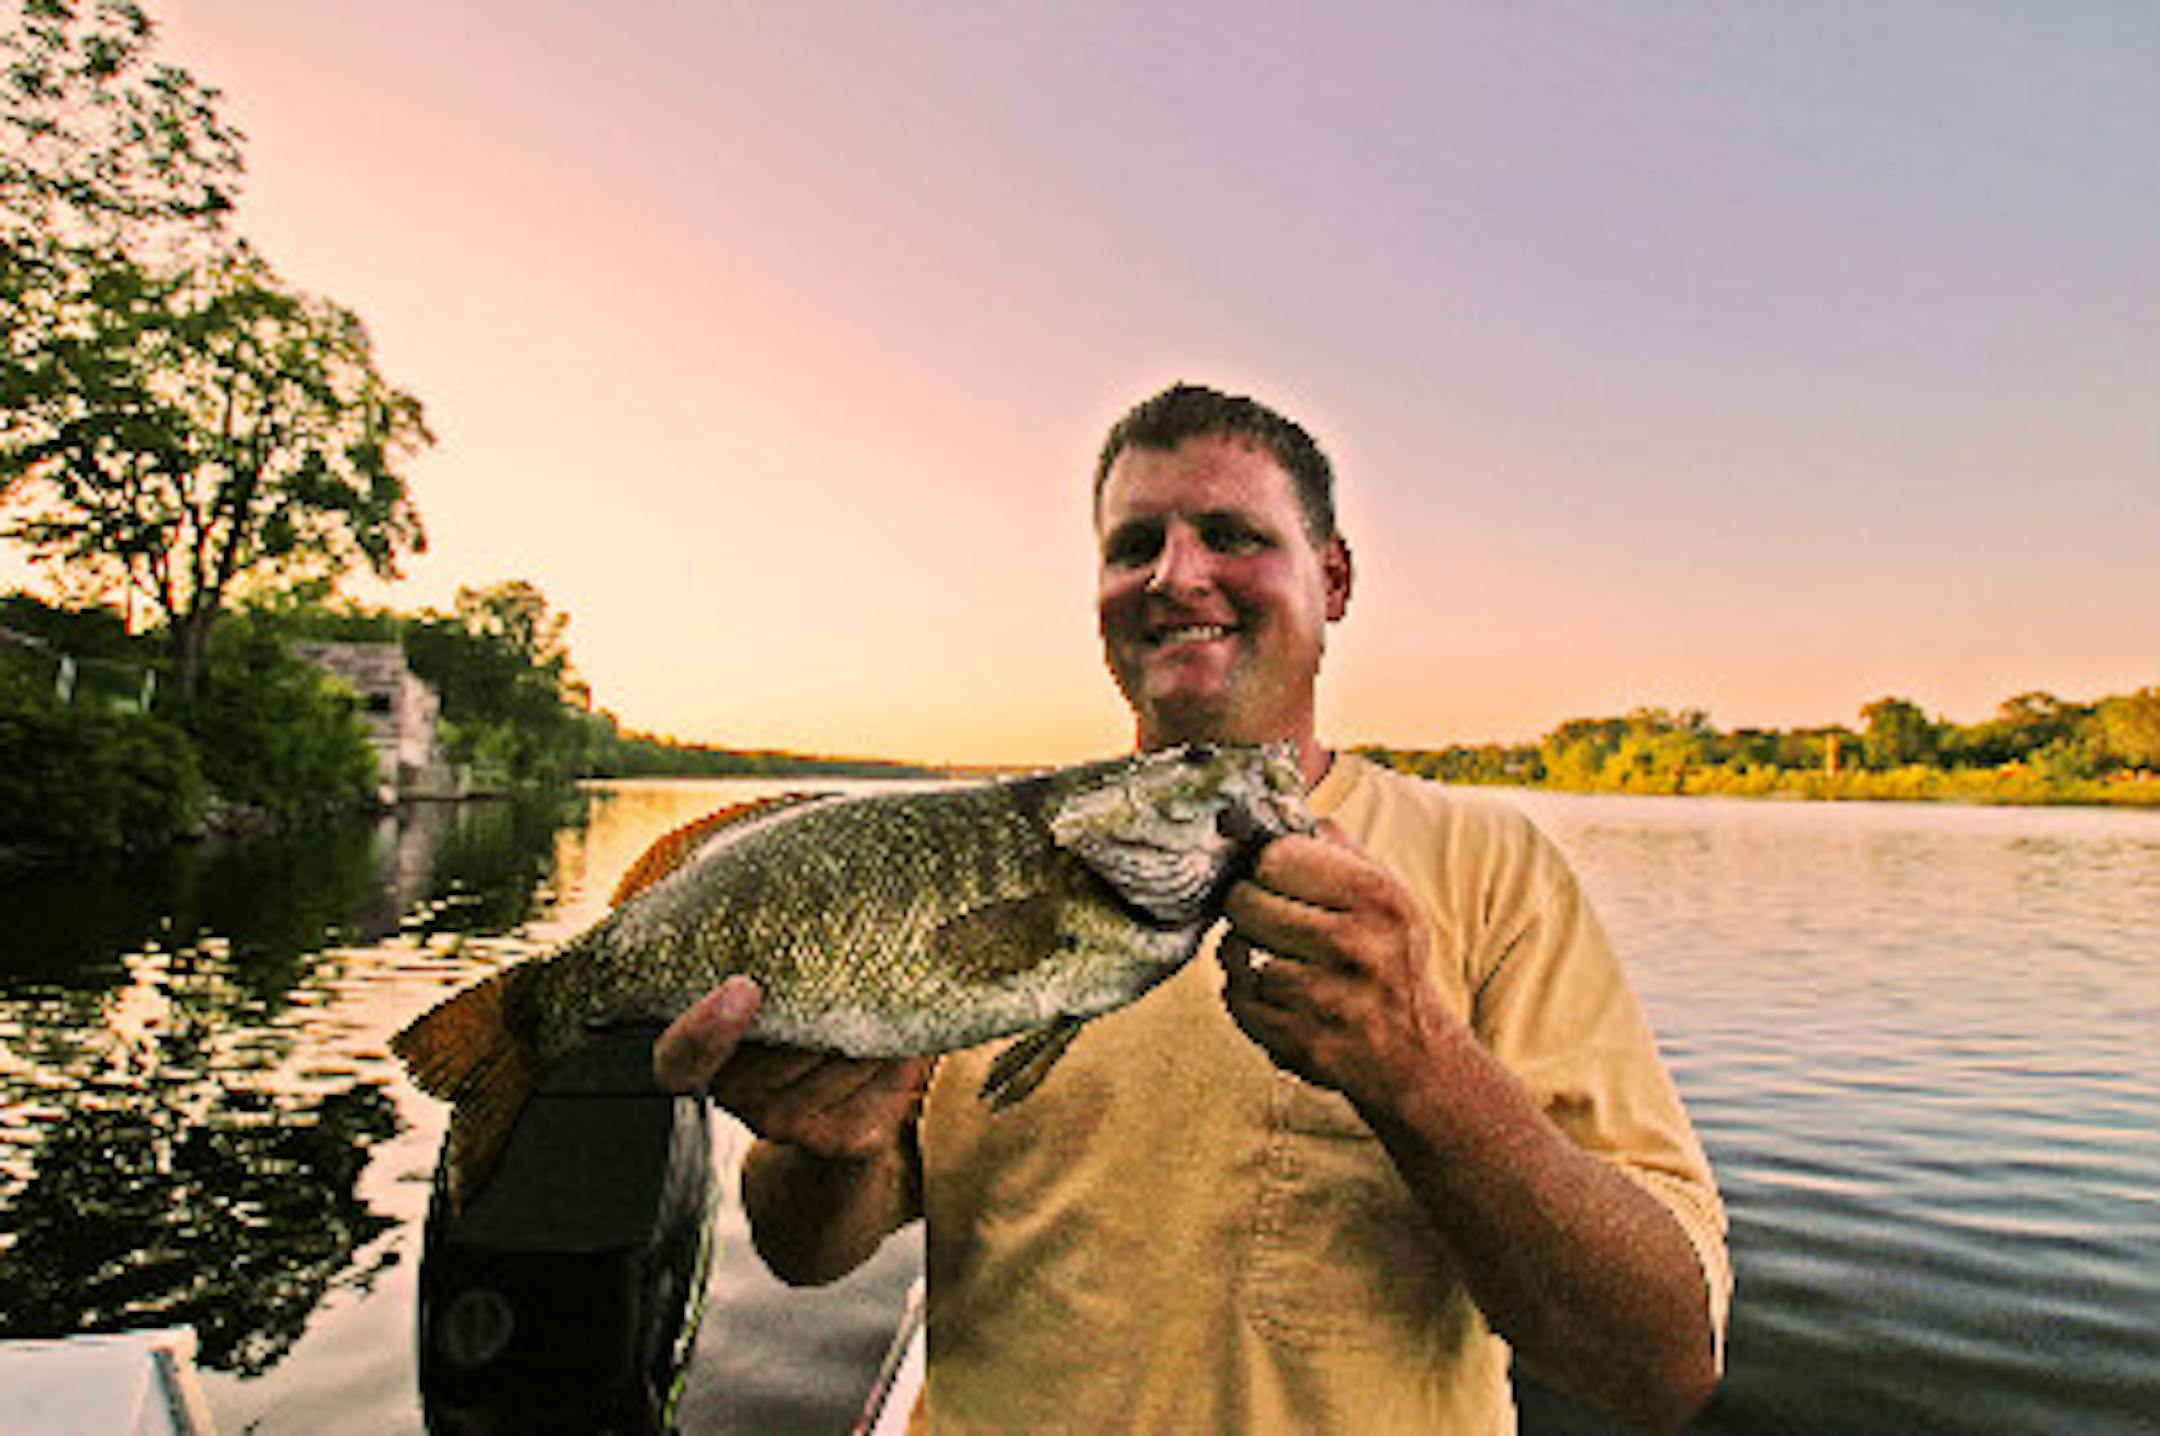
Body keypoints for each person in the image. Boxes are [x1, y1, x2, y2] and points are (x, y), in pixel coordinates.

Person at [653, 383, 1731, 1433]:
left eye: (1232, 533)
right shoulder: (984, 856)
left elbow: (1663, 1363)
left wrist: (1419, 1066)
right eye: (1133, 547)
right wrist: (832, 1147)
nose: (1176, 575)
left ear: (1335, 577)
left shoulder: (1497, 865)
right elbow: (805, 1250)